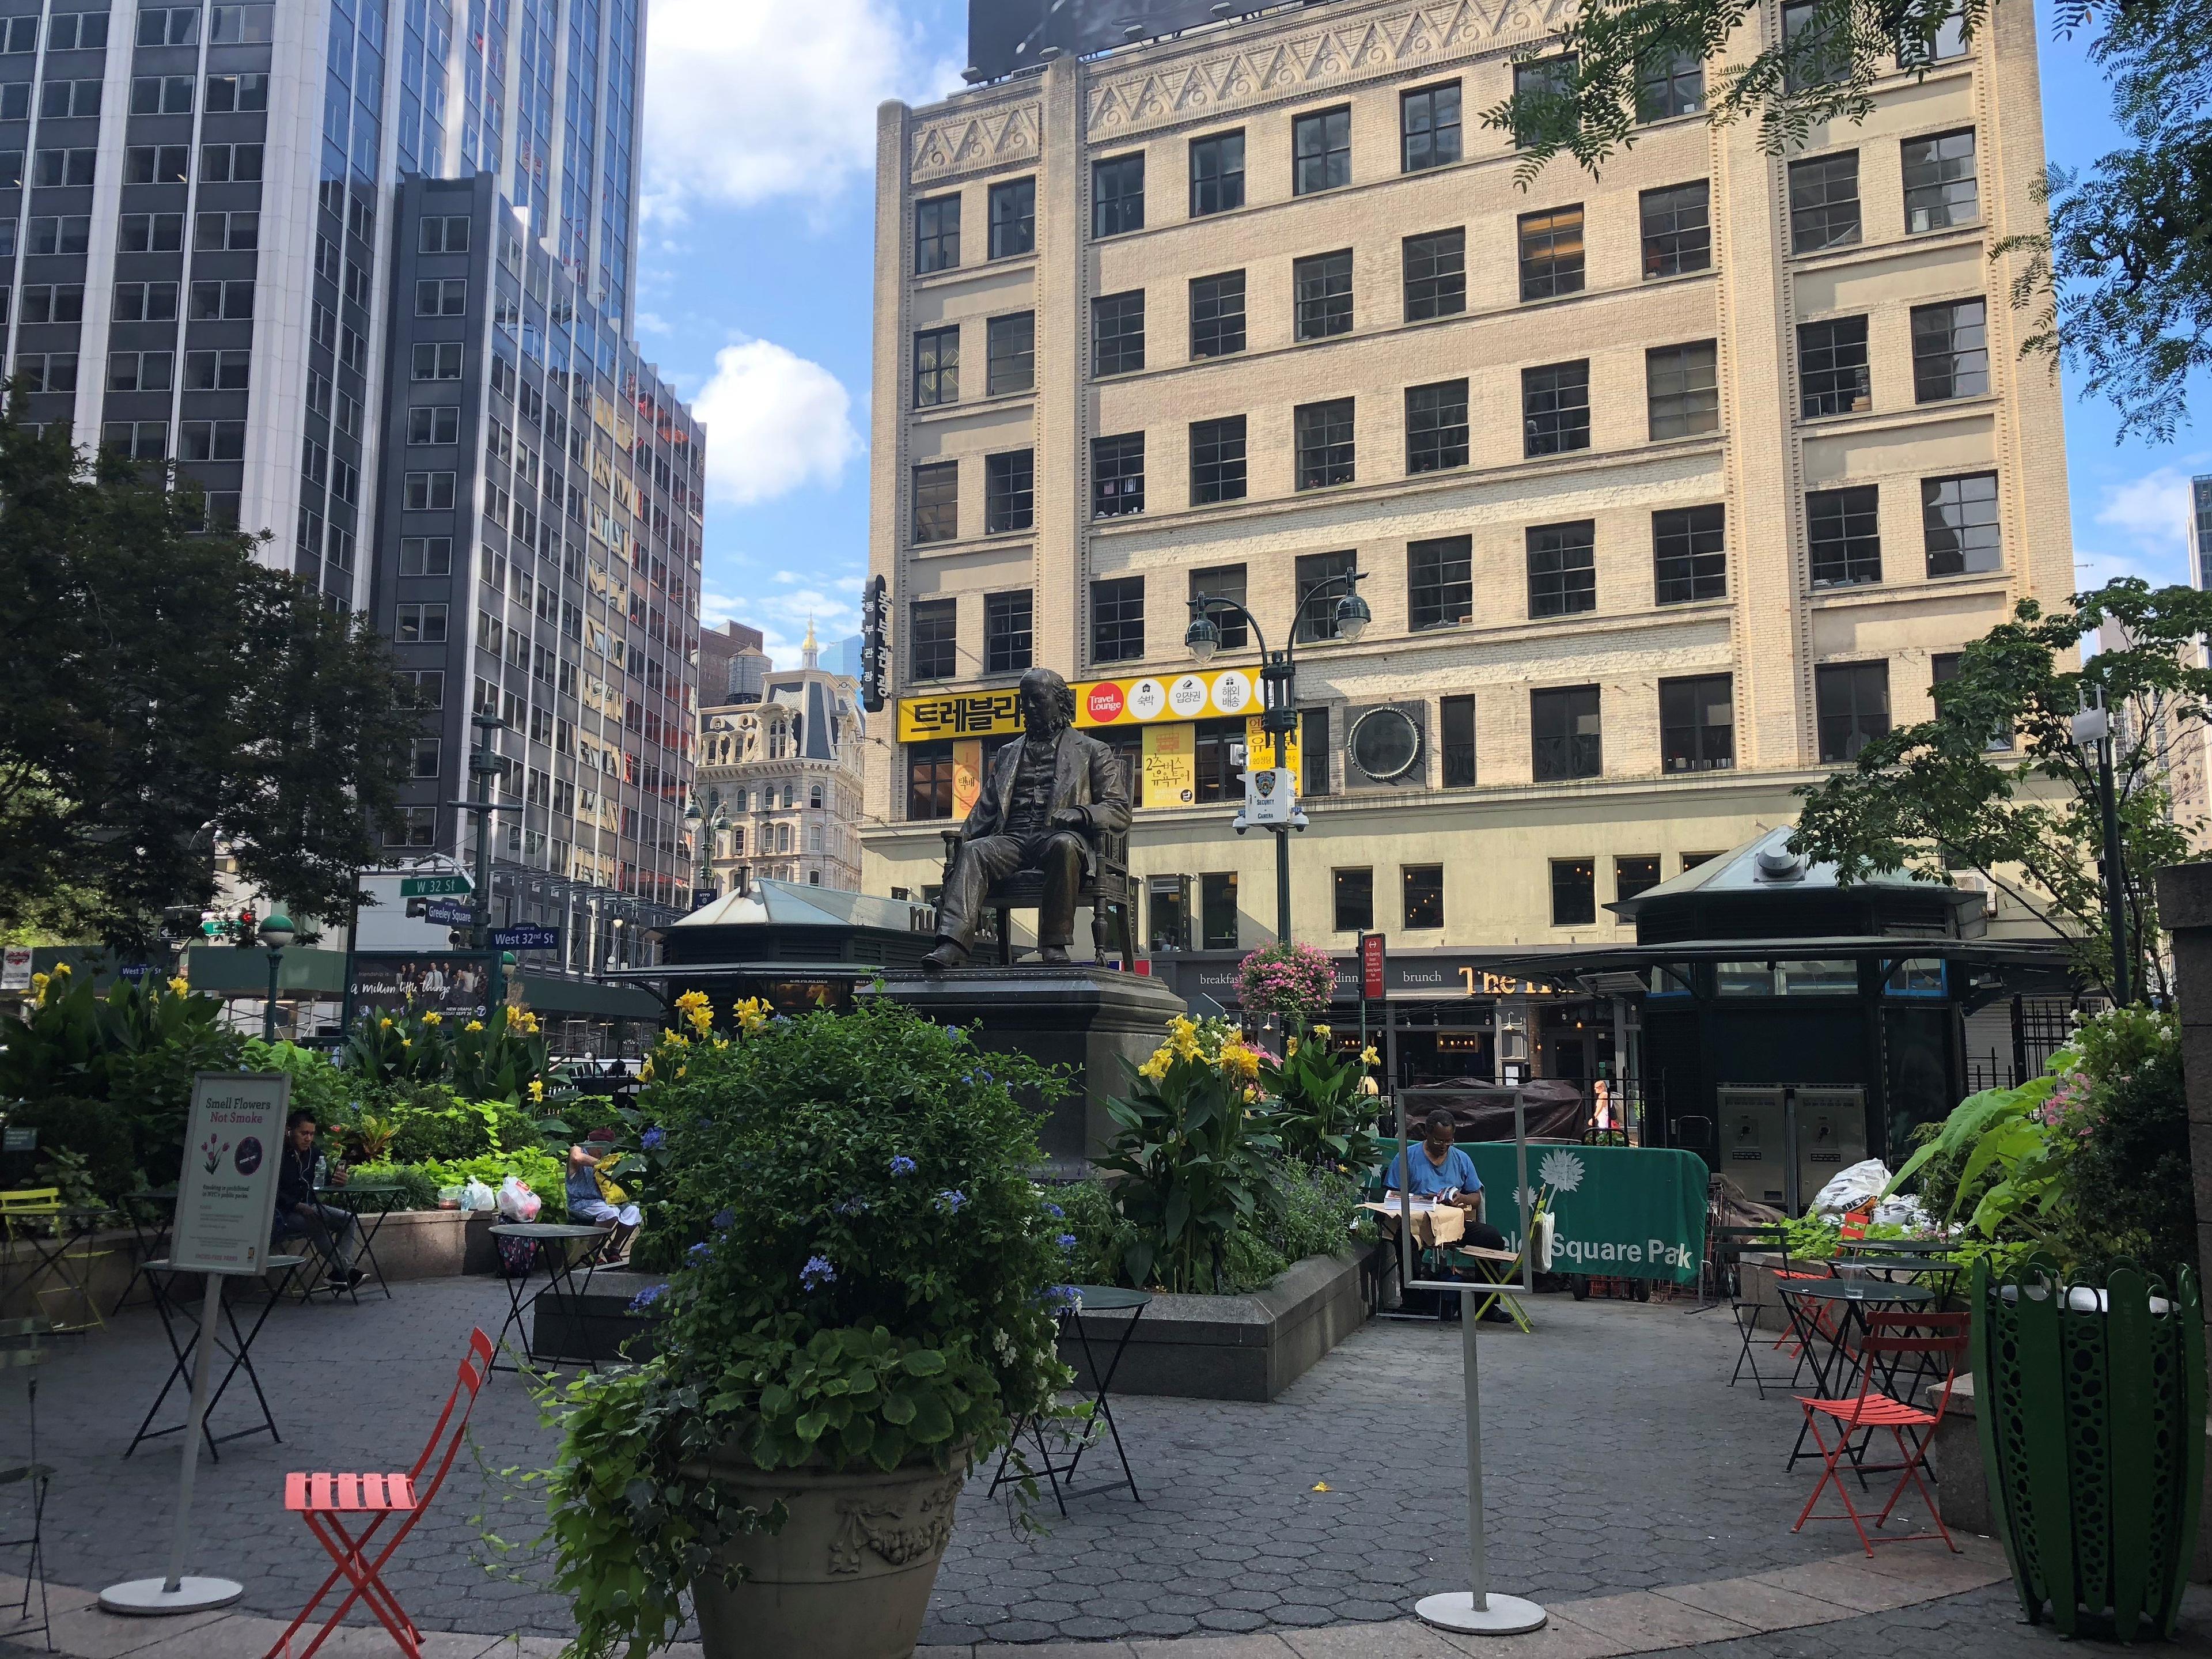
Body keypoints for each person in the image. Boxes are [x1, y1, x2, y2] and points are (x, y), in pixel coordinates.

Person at [273, 1109, 365, 1290]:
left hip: (311, 1207)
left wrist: (338, 1182)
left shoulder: (314, 1154)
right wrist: (296, 1205)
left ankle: (339, 1273)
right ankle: (348, 1271)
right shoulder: (278, 1155)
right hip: (283, 1214)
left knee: (348, 1219)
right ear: (288, 1131)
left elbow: (324, 1182)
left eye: (311, 1134)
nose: (308, 1138)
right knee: (316, 1221)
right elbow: (271, 1191)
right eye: (304, 1133)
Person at [566, 1144, 642, 1263]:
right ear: (592, 1144)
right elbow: (576, 1157)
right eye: (601, 1147)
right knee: (610, 1213)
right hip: (581, 1202)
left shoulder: (608, 1156)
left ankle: (614, 1249)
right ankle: (592, 1252)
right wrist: (603, 1164)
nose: (604, 1151)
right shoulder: (578, 1149)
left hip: (605, 1201)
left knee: (634, 1211)